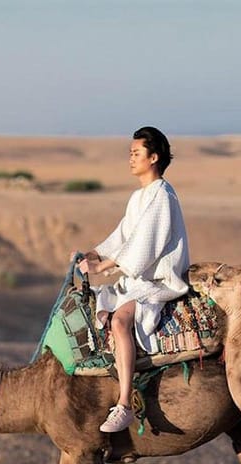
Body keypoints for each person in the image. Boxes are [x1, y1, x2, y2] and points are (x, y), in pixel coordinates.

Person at [78, 126, 190, 432]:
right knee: (99, 312)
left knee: (119, 322)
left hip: (157, 283)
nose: (130, 159)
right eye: (130, 153)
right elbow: (123, 235)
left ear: (153, 157)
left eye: (135, 153)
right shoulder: (139, 197)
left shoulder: (162, 196)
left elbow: (144, 246)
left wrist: (103, 268)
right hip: (137, 280)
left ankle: (124, 404)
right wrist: (94, 254)